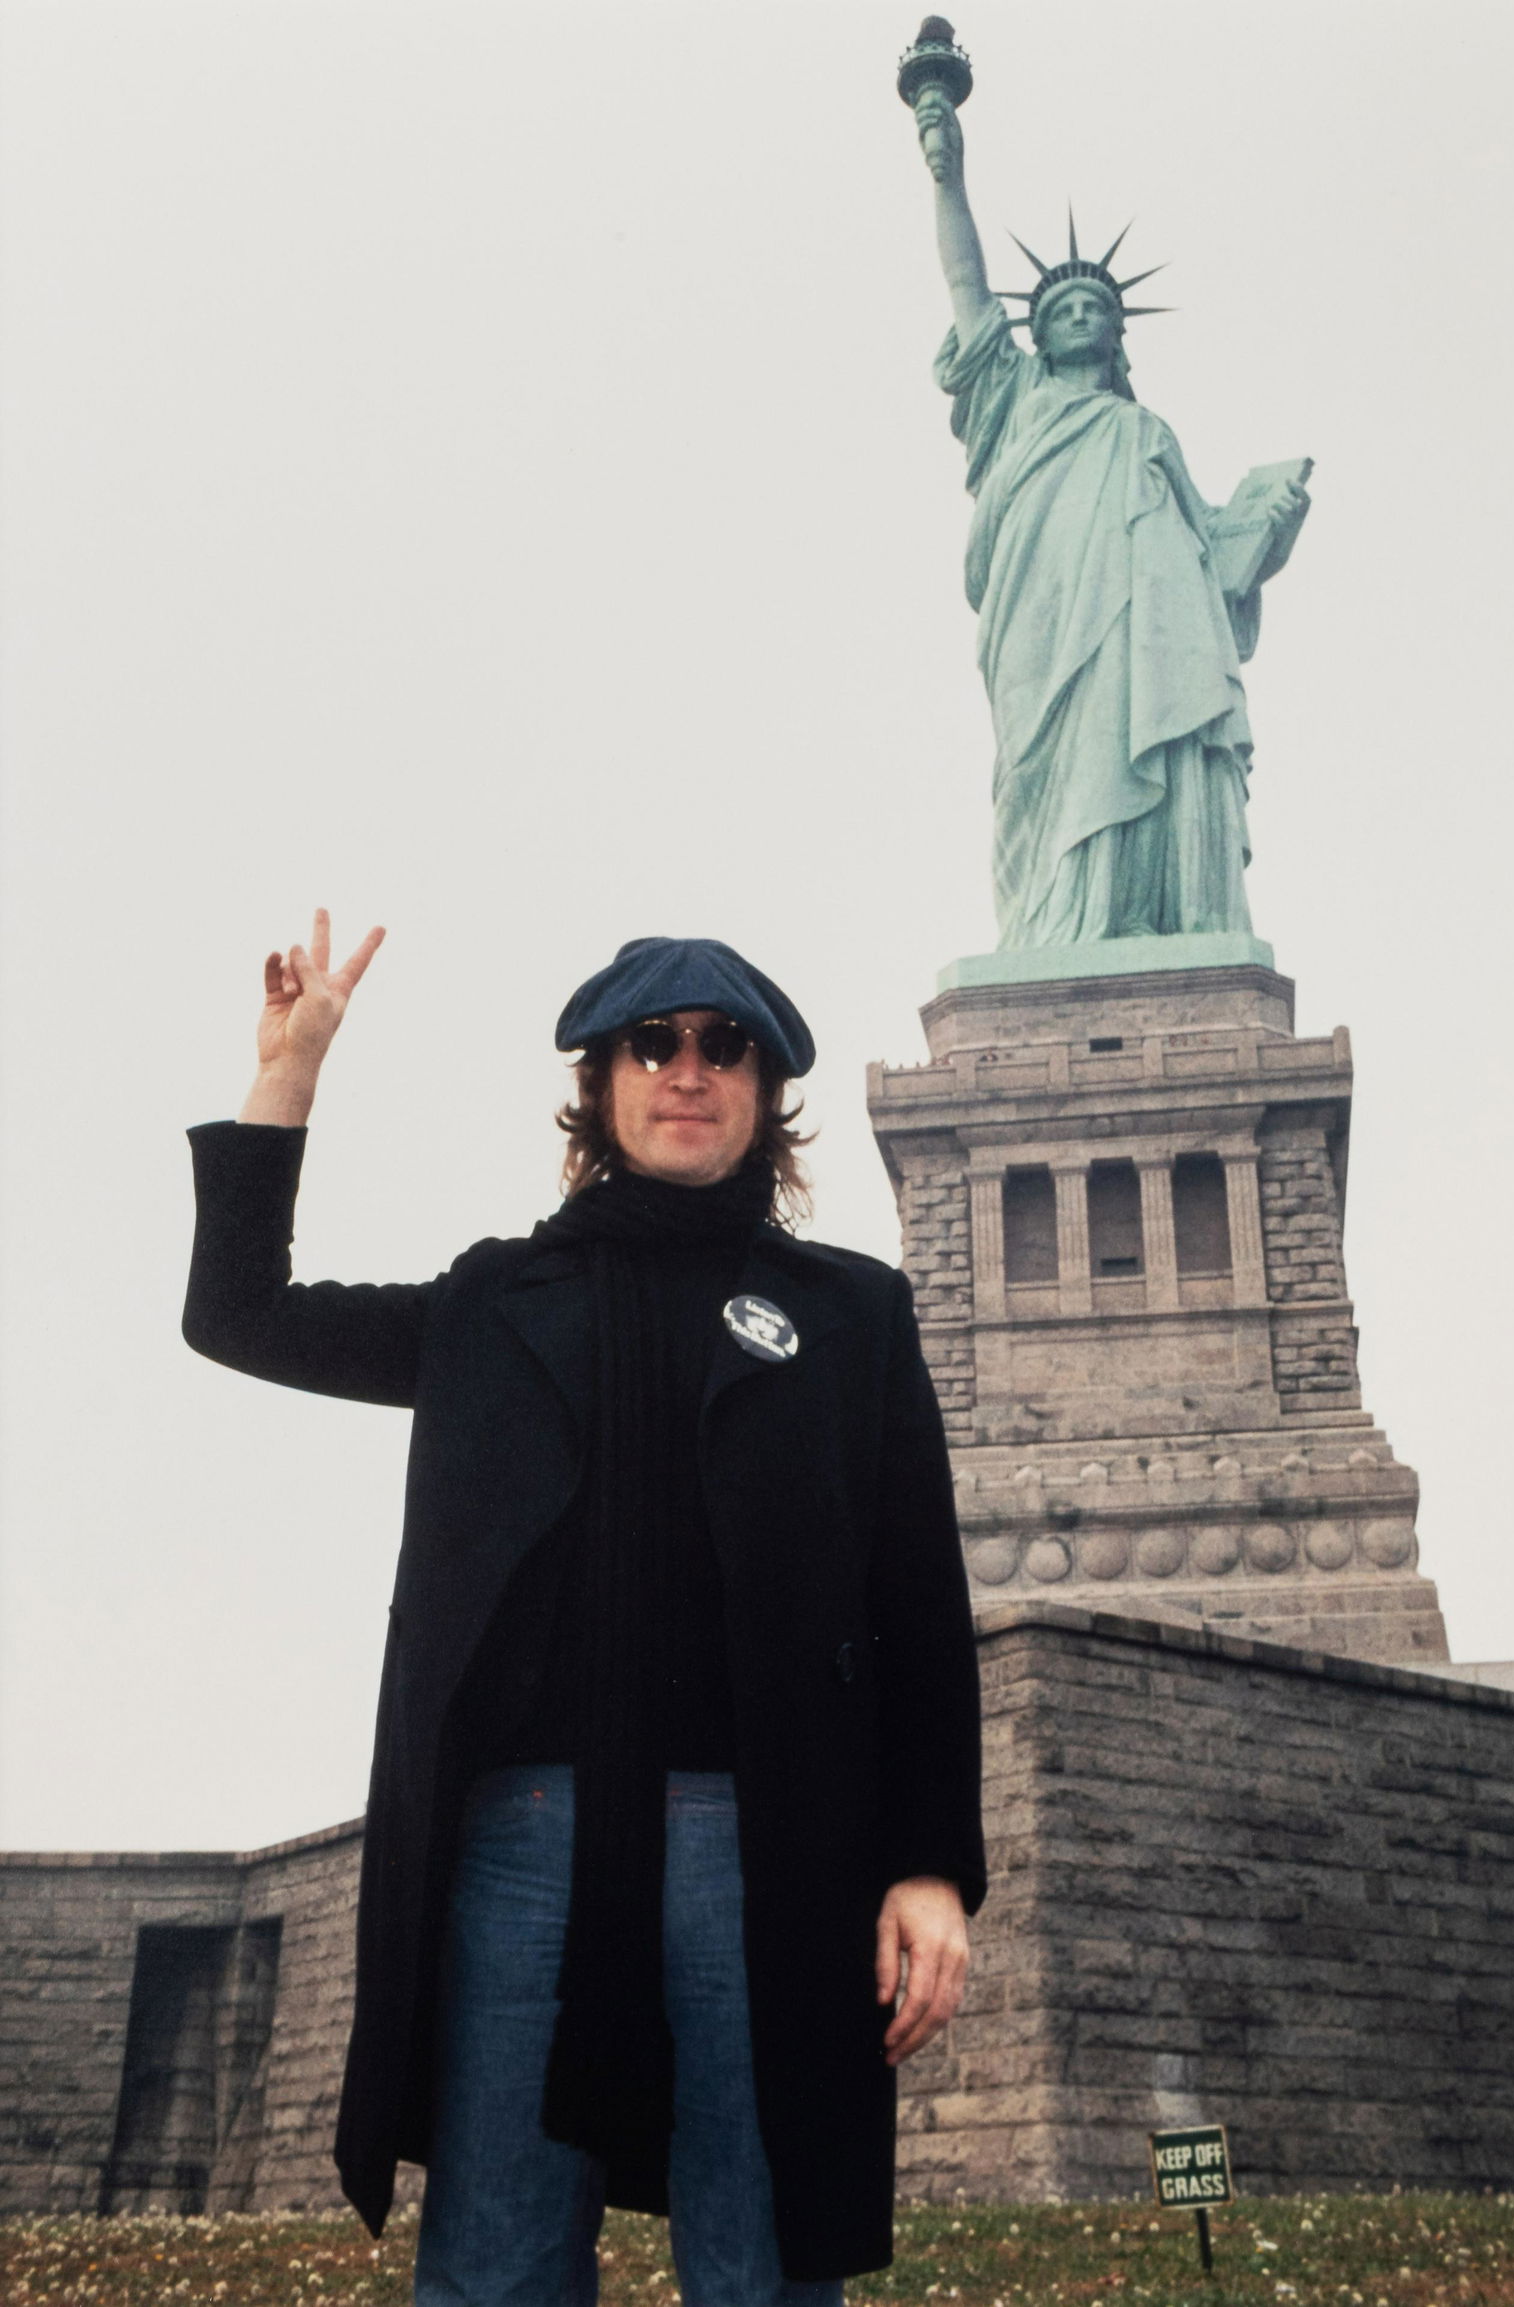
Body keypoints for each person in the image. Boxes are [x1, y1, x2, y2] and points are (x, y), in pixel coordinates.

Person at [182, 912, 986, 2307]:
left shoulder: (853, 1315)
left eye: (723, 1044)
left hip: (772, 1849)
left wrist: (928, 1863)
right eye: (653, 1042)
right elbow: (241, 1311)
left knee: (765, 2264)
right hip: (522, 1846)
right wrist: (290, 1073)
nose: (689, 1068)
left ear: (766, 1088)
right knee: (496, 2265)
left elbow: (917, 1599)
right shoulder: (494, 1300)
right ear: (602, 1083)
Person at [913, 82, 1311, 950]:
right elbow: (965, 283)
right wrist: (948, 172)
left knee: (1139, 733)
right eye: (1060, 311)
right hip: (1042, 621)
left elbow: (1208, 558)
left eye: (1095, 307)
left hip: (1145, 633)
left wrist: (1265, 534)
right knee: (1042, 771)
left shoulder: (1144, 431)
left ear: (1116, 333)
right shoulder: (1012, 401)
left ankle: (1136, 912)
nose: (1080, 315)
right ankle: (1054, 925)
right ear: (1041, 336)